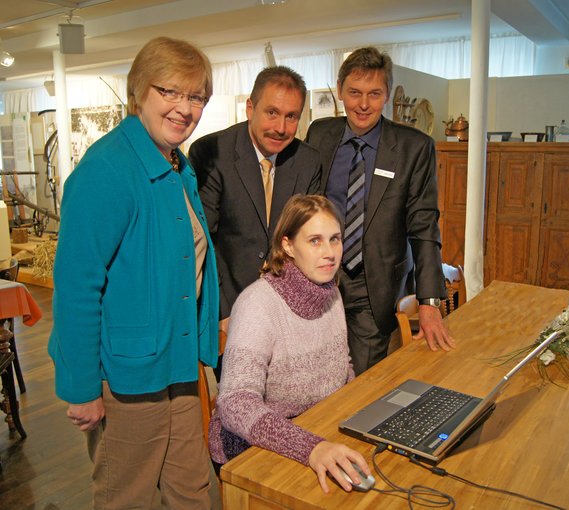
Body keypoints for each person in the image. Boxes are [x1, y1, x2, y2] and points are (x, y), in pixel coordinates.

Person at [48, 37, 221, 509]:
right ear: (139, 90)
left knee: (193, 492)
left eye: (197, 96)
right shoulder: (107, 169)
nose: (184, 108)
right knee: (129, 498)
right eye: (171, 92)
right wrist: (82, 389)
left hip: (178, 367)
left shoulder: (176, 164)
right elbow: (78, 289)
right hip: (127, 379)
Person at [306, 47, 454, 375]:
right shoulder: (320, 134)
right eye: (355, 93)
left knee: (361, 382)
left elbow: (424, 226)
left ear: (386, 95)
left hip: (375, 289)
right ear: (341, 89)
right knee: (316, 376)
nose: (363, 104)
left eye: (374, 94)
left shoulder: (413, 147)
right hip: (320, 281)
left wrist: (429, 303)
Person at [209, 194, 371, 493]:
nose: (330, 253)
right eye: (314, 241)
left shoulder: (331, 293)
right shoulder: (258, 304)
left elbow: (342, 368)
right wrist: (311, 447)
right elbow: (235, 404)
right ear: (287, 245)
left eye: (335, 239)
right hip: (252, 450)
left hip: (317, 429)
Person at [189, 66, 321, 340]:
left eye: (291, 116)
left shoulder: (309, 161)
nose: (281, 128)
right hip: (230, 310)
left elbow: (309, 239)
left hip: (289, 311)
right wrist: (222, 310)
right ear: (250, 108)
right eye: (271, 112)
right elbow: (204, 241)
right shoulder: (212, 153)